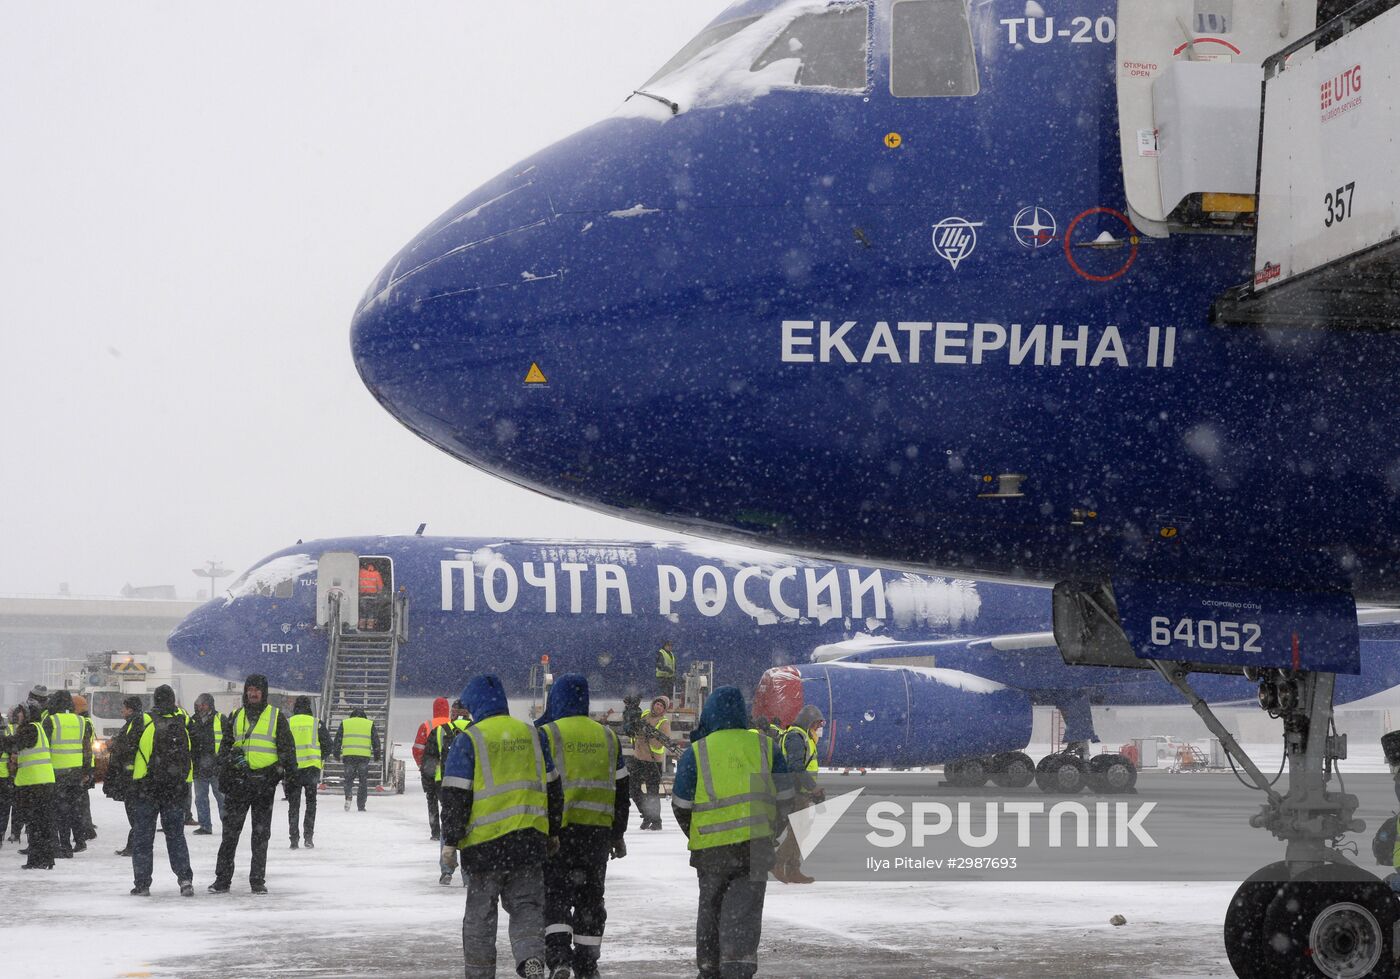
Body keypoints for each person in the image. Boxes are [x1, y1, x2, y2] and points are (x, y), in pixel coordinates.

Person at [440, 674, 563, 979]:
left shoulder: (469, 739)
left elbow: (455, 796)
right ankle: (531, 957)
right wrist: (553, 830)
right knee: (527, 906)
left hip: (484, 846)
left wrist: (450, 842)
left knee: (480, 915)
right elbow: (554, 787)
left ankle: (480, 973)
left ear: (476, 705)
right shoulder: (533, 735)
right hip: (528, 841)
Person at [672, 686, 792, 979]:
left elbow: (681, 804)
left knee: (710, 909)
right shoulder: (766, 747)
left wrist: (697, 832)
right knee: (744, 911)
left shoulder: (697, 752)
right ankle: (737, 967)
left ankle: (710, 968)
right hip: (755, 847)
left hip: (710, 850)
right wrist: (772, 830)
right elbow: (787, 797)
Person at [535, 674, 629, 979]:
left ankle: (560, 959)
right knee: (591, 899)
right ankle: (588, 964)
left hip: (558, 832)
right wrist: (618, 834)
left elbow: (538, 785)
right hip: (597, 834)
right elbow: (622, 791)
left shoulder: (547, 734)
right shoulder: (608, 737)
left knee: (556, 897)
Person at [210, 674, 296, 894]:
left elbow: (287, 752)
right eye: (250, 689)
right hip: (238, 785)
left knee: (260, 836)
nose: (253, 693)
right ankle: (222, 880)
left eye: (257, 690)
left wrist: (276, 776)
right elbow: (224, 749)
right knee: (230, 835)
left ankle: (257, 880)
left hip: (263, 786)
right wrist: (230, 762)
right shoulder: (236, 716)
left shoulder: (276, 718)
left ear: (264, 692)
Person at [128, 684, 195, 896]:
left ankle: (142, 884)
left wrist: (133, 782)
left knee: (143, 839)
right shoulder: (184, 721)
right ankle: (185, 880)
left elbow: (132, 752)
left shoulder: (144, 721)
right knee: (176, 836)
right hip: (175, 789)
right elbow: (193, 753)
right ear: (173, 700)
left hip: (147, 789)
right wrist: (184, 783)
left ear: (154, 701)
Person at [774, 705, 825, 884]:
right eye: (816, 725)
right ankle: (778, 862)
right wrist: (813, 787)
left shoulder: (802, 737)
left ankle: (793, 869)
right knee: (798, 830)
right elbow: (795, 766)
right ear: (808, 721)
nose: (817, 729)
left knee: (800, 830)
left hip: (801, 791)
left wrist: (811, 790)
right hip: (795, 792)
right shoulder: (796, 737)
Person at [422, 699, 473, 881]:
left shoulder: (440, 731)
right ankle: (468, 874)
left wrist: (429, 785)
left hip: (445, 785)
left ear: (453, 713)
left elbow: (428, 762)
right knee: (471, 826)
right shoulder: (479, 730)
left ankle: (446, 869)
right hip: (473, 786)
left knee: (448, 823)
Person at [4, 703, 57, 869]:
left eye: (20, 713)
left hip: (34, 784)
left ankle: (37, 860)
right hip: (42, 782)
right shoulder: (38, 728)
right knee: (42, 823)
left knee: (35, 824)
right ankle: (44, 859)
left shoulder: (30, 729)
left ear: (27, 714)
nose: (18, 716)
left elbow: (13, 743)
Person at [43, 688, 92, 857]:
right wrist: (87, 770)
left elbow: (45, 747)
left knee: (60, 811)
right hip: (76, 773)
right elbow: (87, 749)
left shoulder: (51, 721)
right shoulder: (81, 721)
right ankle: (80, 840)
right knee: (75, 809)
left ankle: (64, 847)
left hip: (57, 772)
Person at [285, 696, 330, 849]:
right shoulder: (316, 723)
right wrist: (319, 758)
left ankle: (293, 838)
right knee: (311, 804)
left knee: (294, 805)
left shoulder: (288, 723)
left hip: (292, 770)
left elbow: (281, 745)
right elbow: (327, 746)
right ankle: (308, 837)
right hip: (311, 769)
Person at [106, 695, 146, 856]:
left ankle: (135, 846)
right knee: (134, 813)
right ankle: (134, 845)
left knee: (134, 813)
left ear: (130, 709)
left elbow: (129, 745)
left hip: (132, 776)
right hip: (129, 775)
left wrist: (113, 745)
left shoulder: (136, 723)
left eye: (124, 707)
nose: (122, 710)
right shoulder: (133, 722)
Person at [628, 696, 672, 830]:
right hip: (638, 758)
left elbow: (660, 744)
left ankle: (656, 821)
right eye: (657, 704)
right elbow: (634, 728)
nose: (658, 707)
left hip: (652, 762)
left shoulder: (664, 722)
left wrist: (649, 736)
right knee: (633, 789)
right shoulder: (645, 715)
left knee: (652, 793)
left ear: (664, 710)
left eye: (661, 706)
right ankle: (646, 814)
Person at [413, 696, 453, 839]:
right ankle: (447, 829)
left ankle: (435, 831)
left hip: (430, 770)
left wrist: (421, 765)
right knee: (447, 802)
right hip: (448, 770)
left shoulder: (427, 725)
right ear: (448, 709)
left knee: (432, 800)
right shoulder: (452, 724)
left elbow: (418, 748)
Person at [188, 693, 225, 835]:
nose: (201, 706)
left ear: (210, 705)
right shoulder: (192, 721)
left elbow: (228, 741)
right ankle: (205, 826)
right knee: (200, 799)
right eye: (199, 704)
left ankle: (227, 824)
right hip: (199, 767)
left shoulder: (221, 719)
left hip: (216, 767)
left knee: (221, 798)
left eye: (203, 704)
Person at [334, 708, 380, 811]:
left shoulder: (345, 723)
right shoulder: (369, 724)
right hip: (363, 757)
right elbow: (375, 741)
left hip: (349, 756)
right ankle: (361, 805)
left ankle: (348, 795)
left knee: (348, 779)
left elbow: (338, 739)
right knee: (363, 781)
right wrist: (377, 755)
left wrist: (336, 753)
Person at [71, 694, 99, 842]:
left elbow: (86, 748)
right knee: (82, 799)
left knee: (80, 801)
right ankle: (87, 828)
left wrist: (85, 770)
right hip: (87, 765)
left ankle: (87, 830)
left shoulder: (83, 723)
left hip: (84, 766)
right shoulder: (87, 721)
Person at [359, 559, 385, 630]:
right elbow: (380, 586)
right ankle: (370, 628)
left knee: (362, 612)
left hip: (362, 596)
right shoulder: (376, 573)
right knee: (371, 612)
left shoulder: (361, 572)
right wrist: (379, 593)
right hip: (373, 596)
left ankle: (361, 628)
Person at [0, 710, 13, 849]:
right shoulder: (7, 730)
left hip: (4, 775)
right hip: (5, 776)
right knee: (4, 807)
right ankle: (1, 832)